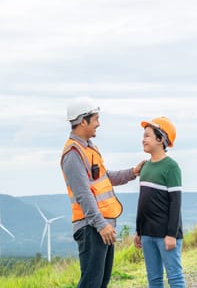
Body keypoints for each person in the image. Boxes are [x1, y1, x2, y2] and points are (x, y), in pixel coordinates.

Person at [60, 97, 145, 288]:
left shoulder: (89, 148)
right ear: (83, 121)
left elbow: (105, 177)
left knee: (101, 282)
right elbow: (83, 195)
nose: (99, 124)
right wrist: (101, 225)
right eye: (96, 119)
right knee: (92, 282)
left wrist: (133, 172)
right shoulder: (73, 154)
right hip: (92, 227)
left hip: (102, 226)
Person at [134, 117, 186, 288]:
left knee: (175, 278)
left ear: (160, 139)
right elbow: (142, 201)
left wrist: (171, 234)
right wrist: (138, 231)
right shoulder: (145, 167)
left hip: (166, 235)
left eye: (147, 135)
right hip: (147, 234)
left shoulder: (171, 167)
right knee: (154, 279)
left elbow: (175, 203)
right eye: (143, 135)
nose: (143, 139)